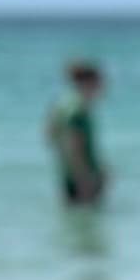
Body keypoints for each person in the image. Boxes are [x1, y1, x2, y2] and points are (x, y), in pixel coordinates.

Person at [43, 59, 107, 206]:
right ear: (89, 82)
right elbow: (74, 148)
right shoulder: (77, 110)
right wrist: (84, 180)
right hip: (83, 178)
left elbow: (48, 136)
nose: (101, 87)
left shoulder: (61, 103)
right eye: (99, 82)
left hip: (67, 174)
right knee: (86, 216)